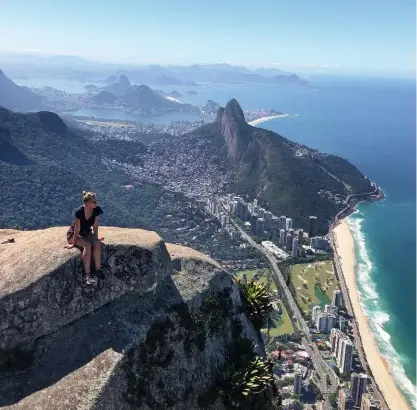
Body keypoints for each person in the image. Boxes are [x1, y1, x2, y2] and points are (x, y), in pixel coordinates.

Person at [65, 191, 104, 285]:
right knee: (87, 245)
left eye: (96, 201)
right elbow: (77, 229)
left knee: (97, 243)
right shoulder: (79, 212)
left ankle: (98, 270)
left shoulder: (96, 210)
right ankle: (87, 275)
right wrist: (73, 244)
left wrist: (96, 238)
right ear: (87, 203)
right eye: (94, 202)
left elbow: (95, 225)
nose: (96, 203)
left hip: (86, 232)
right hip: (74, 234)